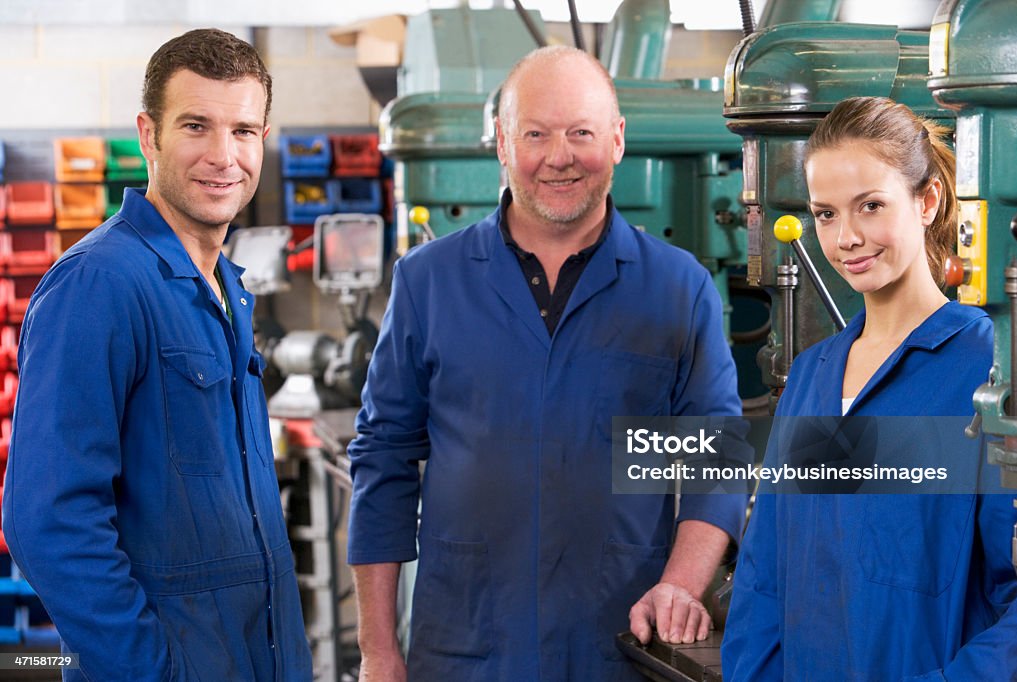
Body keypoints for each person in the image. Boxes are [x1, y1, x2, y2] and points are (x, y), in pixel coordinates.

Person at [347, 45, 745, 681]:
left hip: (618, 644)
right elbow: (383, 460)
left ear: (616, 140)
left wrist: (680, 585)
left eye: (581, 133)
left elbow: (713, 463)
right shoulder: (427, 282)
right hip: (464, 647)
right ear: (502, 143)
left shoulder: (679, 288)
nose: (559, 156)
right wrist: (377, 650)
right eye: (535, 134)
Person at [2, 29, 313, 682]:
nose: (223, 156)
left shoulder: (227, 289)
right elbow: (47, 521)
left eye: (244, 131)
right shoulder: (100, 283)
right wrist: (150, 671)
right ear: (149, 135)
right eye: (196, 125)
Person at [721, 97, 1017, 679]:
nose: (847, 238)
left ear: (928, 200)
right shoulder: (813, 375)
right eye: (826, 215)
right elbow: (766, 576)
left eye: (871, 206)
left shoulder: (987, 372)